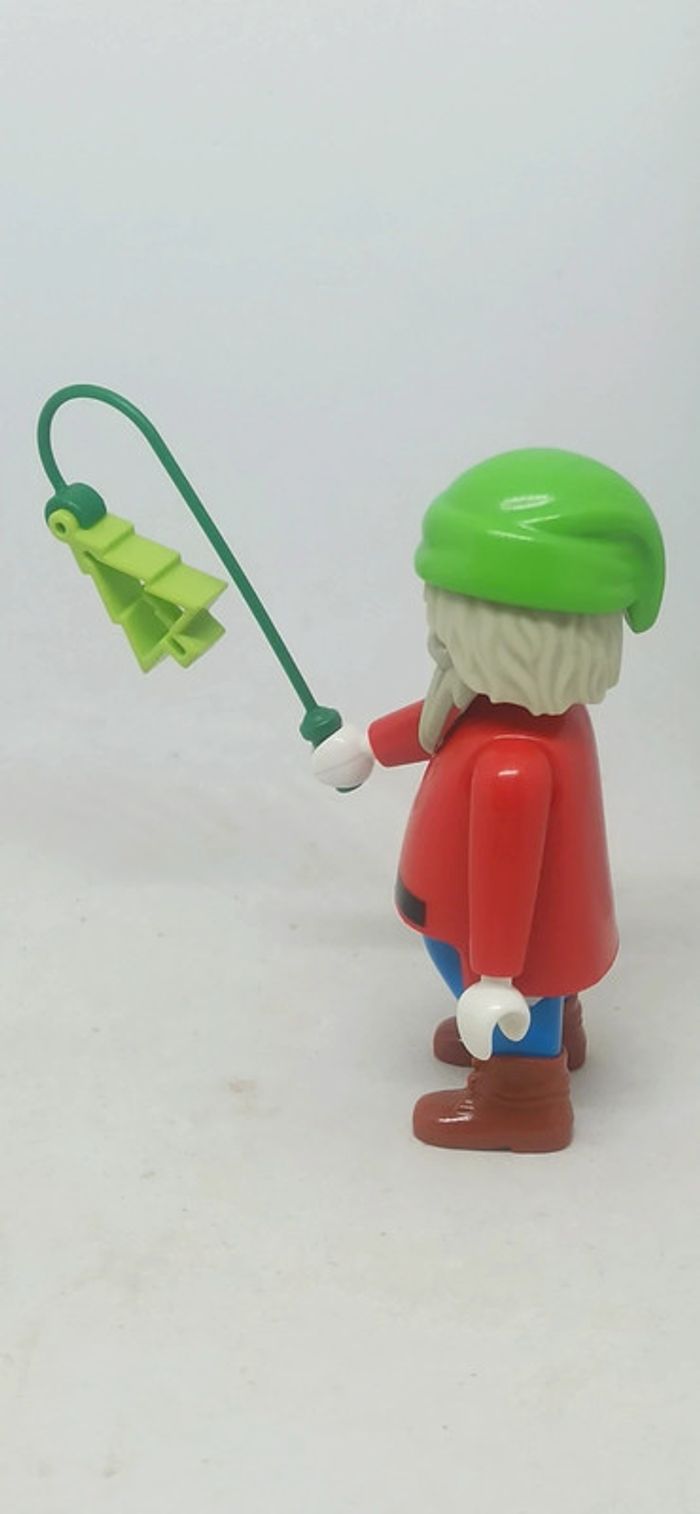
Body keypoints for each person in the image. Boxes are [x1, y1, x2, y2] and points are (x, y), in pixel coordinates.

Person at [313, 449, 665, 1152]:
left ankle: (523, 1097)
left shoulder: (515, 763)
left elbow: (508, 882)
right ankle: (554, 1031)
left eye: (451, 616)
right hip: (501, 909)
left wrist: (497, 977)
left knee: (524, 981)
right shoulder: (512, 705)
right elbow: (434, 719)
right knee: (539, 975)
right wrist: (369, 747)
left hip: (491, 928)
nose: (437, 635)